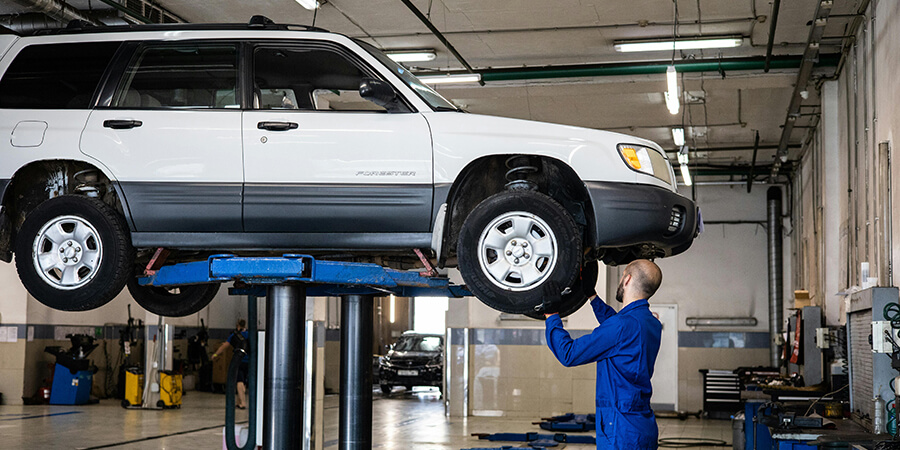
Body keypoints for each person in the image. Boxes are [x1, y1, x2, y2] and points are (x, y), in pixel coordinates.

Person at [543, 259, 663, 449]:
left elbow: (569, 354)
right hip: (642, 424)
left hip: (620, 428)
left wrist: (551, 315)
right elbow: (616, 328)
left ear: (627, 279)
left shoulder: (621, 326)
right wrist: (591, 296)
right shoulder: (650, 322)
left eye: (622, 276)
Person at [212, 319, 250, 409]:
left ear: (237, 326)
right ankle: (239, 401)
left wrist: (215, 354)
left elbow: (224, 346)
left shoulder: (234, 335)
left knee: (239, 381)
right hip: (249, 361)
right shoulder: (249, 334)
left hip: (239, 360)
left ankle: (243, 403)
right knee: (244, 382)